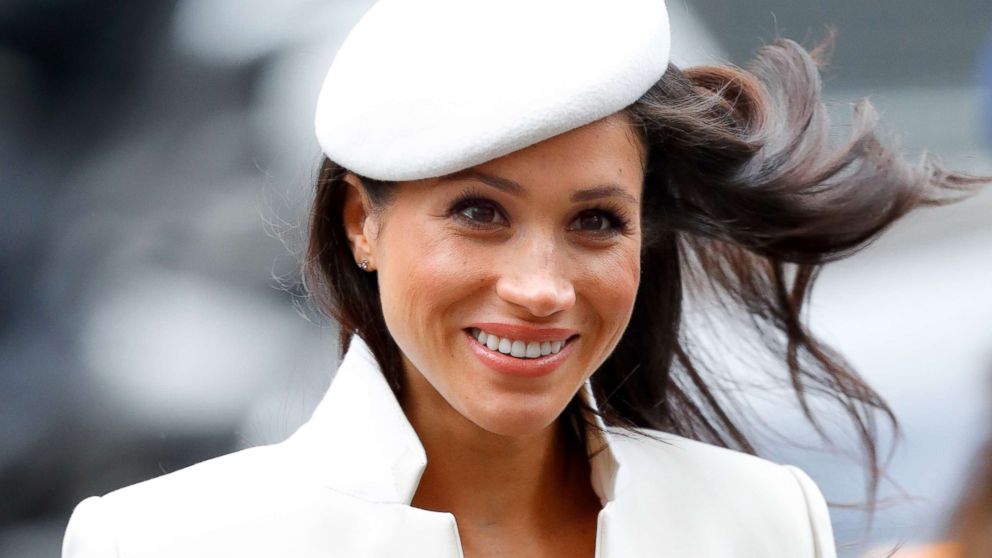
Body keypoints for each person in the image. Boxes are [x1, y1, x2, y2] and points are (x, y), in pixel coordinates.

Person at [61, 0, 988, 556]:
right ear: (361, 224)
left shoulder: (763, 521)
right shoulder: (160, 541)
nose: (541, 287)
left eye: (595, 222)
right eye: (479, 213)